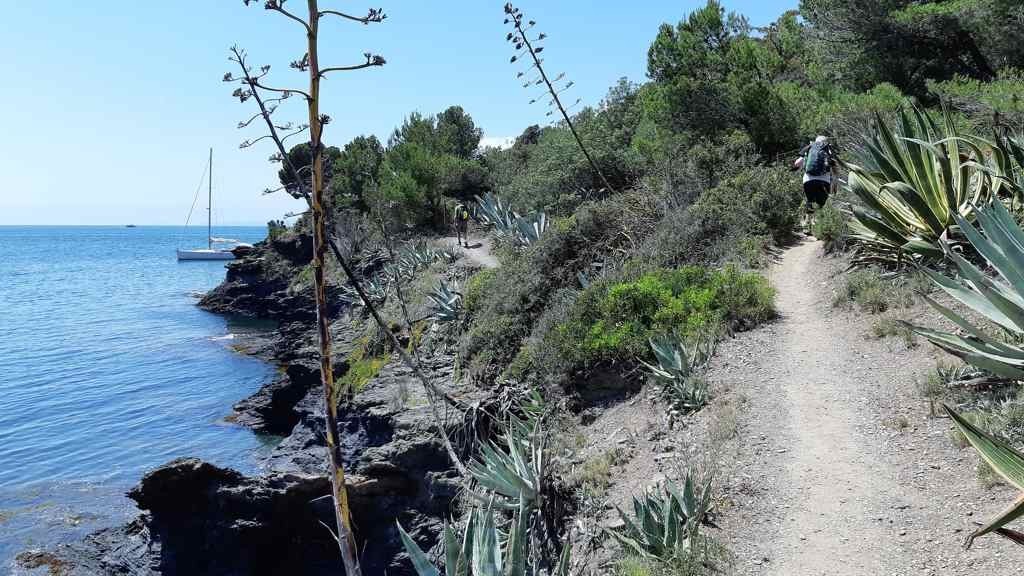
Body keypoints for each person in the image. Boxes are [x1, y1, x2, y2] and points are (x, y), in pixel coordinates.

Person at [793, 135, 837, 230]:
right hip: (824, 181)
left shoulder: (809, 147)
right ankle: (816, 227)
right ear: (826, 142)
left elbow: (797, 163)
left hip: (808, 180)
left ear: (815, 141)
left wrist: (797, 168)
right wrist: (834, 184)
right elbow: (834, 168)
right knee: (820, 205)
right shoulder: (828, 149)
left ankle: (806, 226)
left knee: (810, 201)